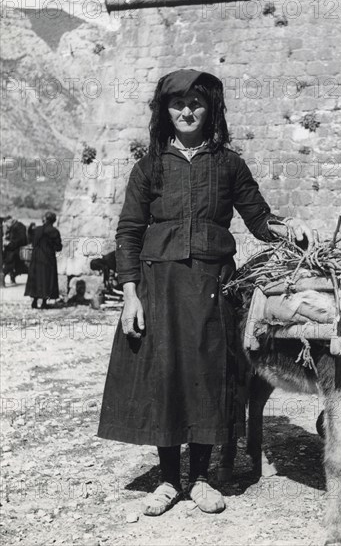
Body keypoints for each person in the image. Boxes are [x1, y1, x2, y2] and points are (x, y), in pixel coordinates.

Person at [97, 69, 313, 517]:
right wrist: (131, 295)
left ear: (209, 108)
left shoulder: (229, 164)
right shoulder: (150, 166)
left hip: (215, 286)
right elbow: (130, 232)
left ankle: (200, 478)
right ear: (165, 112)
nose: (187, 111)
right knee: (166, 376)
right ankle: (167, 480)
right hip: (160, 288)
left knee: (207, 376)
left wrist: (287, 227)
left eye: (195, 103)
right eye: (177, 104)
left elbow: (258, 218)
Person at [24, 211, 62, 309]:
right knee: (47, 279)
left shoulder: (37, 230)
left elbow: (30, 240)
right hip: (48, 257)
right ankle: (44, 302)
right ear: (53, 220)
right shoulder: (54, 231)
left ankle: (34, 301)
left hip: (36, 257)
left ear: (44, 219)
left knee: (35, 278)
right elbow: (58, 247)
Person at [2, 215, 28, 285]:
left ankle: (3, 279)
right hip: (13, 249)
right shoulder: (14, 226)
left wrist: (10, 243)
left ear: (9, 221)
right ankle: (12, 277)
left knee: (9, 264)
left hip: (15, 250)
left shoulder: (19, 226)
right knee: (18, 266)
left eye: (6, 223)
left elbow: (21, 239)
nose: (6, 225)